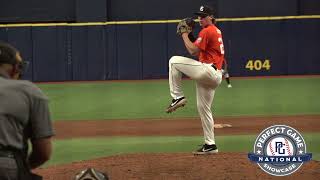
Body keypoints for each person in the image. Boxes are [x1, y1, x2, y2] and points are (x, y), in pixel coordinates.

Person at [166, 5, 224, 154]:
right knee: (204, 109)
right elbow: (197, 49)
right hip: (215, 76)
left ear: (211, 17)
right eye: (199, 16)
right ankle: (210, 145)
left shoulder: (207, 30)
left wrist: (184, 34)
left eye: (203, 16)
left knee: (173, 61)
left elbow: (192, 50)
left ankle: (177, 97)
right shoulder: (214, 31)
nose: (200, 18)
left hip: (207, 71)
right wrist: (190, 36)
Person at [0, 42, 54, 179]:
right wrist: (24, 168)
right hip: (7, 165)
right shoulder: (28, 90)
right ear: (13, 68)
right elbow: (43, 153)